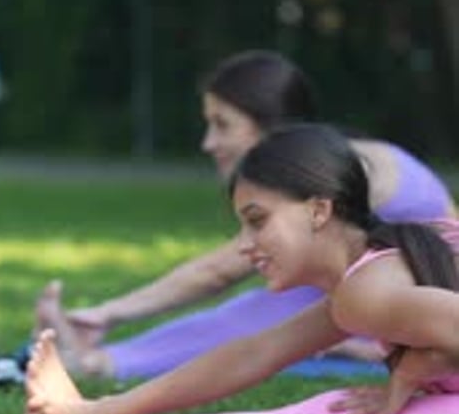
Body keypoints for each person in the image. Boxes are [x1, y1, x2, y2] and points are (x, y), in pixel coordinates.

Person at [24, 124, 459, 414]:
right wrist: (108, 409)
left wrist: (413, 369)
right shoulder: (363, 284)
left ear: (319, 209)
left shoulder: (365, 290)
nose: (246, 244)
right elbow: (256, 354)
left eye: (258, 220)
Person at [34, 50, 456, 380]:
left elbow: (218, 271)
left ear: (269, 126)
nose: (208, 142)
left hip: (422, 299)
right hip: (399, 290)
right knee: (263, 304)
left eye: (223, 125)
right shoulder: (325, 157)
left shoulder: (324, 171)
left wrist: (108, 313)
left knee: (262, 315)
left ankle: (95, 364)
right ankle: (97, 360)